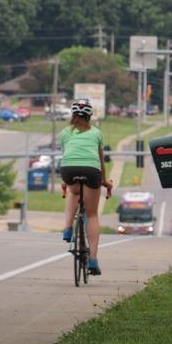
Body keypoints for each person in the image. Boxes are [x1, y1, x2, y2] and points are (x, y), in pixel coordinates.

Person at [60, 99, 112, 275]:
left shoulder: (65, 132)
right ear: (89, 116)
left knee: (73, 192)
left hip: (69, 170)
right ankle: (93, 260)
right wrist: (105, 180)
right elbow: (101, 160)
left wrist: (65, 180)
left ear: (73, 115)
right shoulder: (97, 133)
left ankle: (67, 228)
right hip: (92, 170)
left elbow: (68, 156)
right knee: (91, 214)